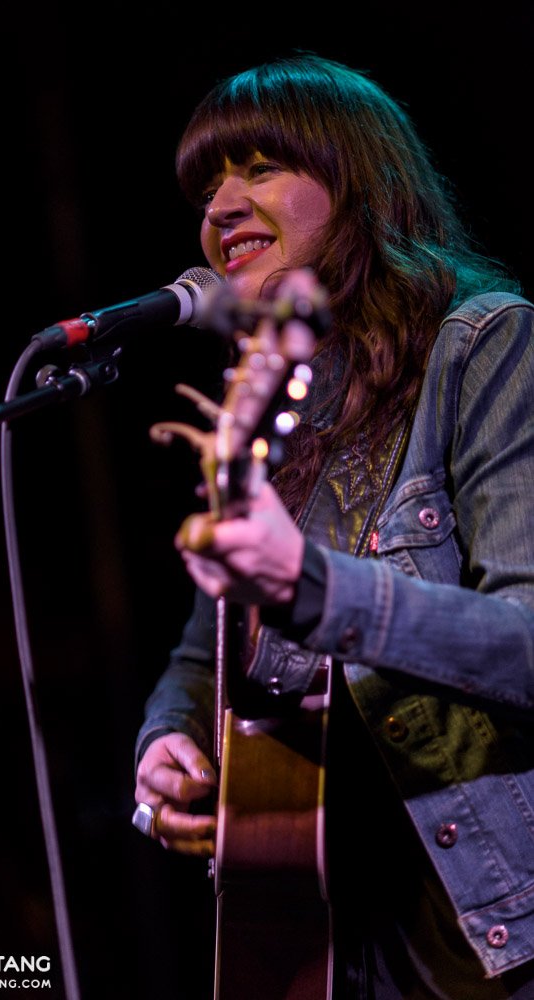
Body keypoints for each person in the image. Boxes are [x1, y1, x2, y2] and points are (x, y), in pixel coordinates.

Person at [132, 50, 534, 999]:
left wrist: (316, 590)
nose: (221, 206)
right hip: (331, 954)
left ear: (360, 183)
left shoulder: (483, 346)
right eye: (207, 185)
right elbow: (204, 653)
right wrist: (166, 741)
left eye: (260, 167)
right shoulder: (277, 423)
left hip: (501, 935)